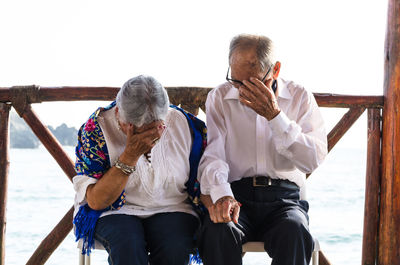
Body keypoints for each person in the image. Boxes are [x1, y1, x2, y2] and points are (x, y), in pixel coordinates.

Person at [197, 34, 328, 265]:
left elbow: (312, 159)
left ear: (275, 70)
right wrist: (222, 194)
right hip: (237, 194)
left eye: (251, 82)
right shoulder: (219, 97)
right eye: (236, 81)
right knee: (217, 230)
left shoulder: (299, 97)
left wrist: (275, 117)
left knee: (295, 231)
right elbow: (213, 156)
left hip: (284, 199)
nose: (241, 91)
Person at [72, 75, 201, 265]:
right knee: (127, 244)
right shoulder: (96, 129)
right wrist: (130, 156)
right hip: (114, 211)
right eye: (135, 130)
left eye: (153, 129)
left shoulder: (183, 124)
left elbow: (207, 175)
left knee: (175, 247)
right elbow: (96, 201)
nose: (147, 139)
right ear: (118, 113)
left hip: (173, 206)